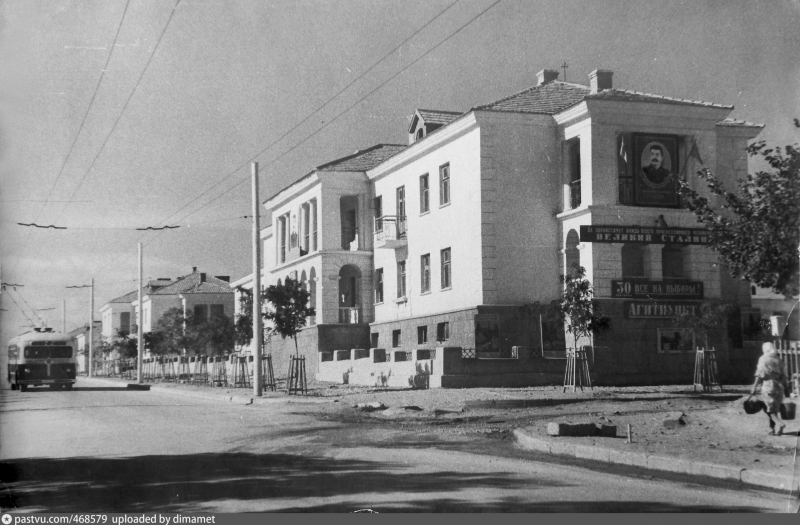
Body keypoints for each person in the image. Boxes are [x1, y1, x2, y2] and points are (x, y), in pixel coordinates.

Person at [748, 342, 789, 435]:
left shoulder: (763, 359)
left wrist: (754, 387)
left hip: (768, 386)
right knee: (774, 409)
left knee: (768, 408)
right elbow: (784, 376)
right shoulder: (779, 360)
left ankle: (780, 424)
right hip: (779, 387)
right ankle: (774, 430)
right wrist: (786, 389)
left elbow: (759, 374)